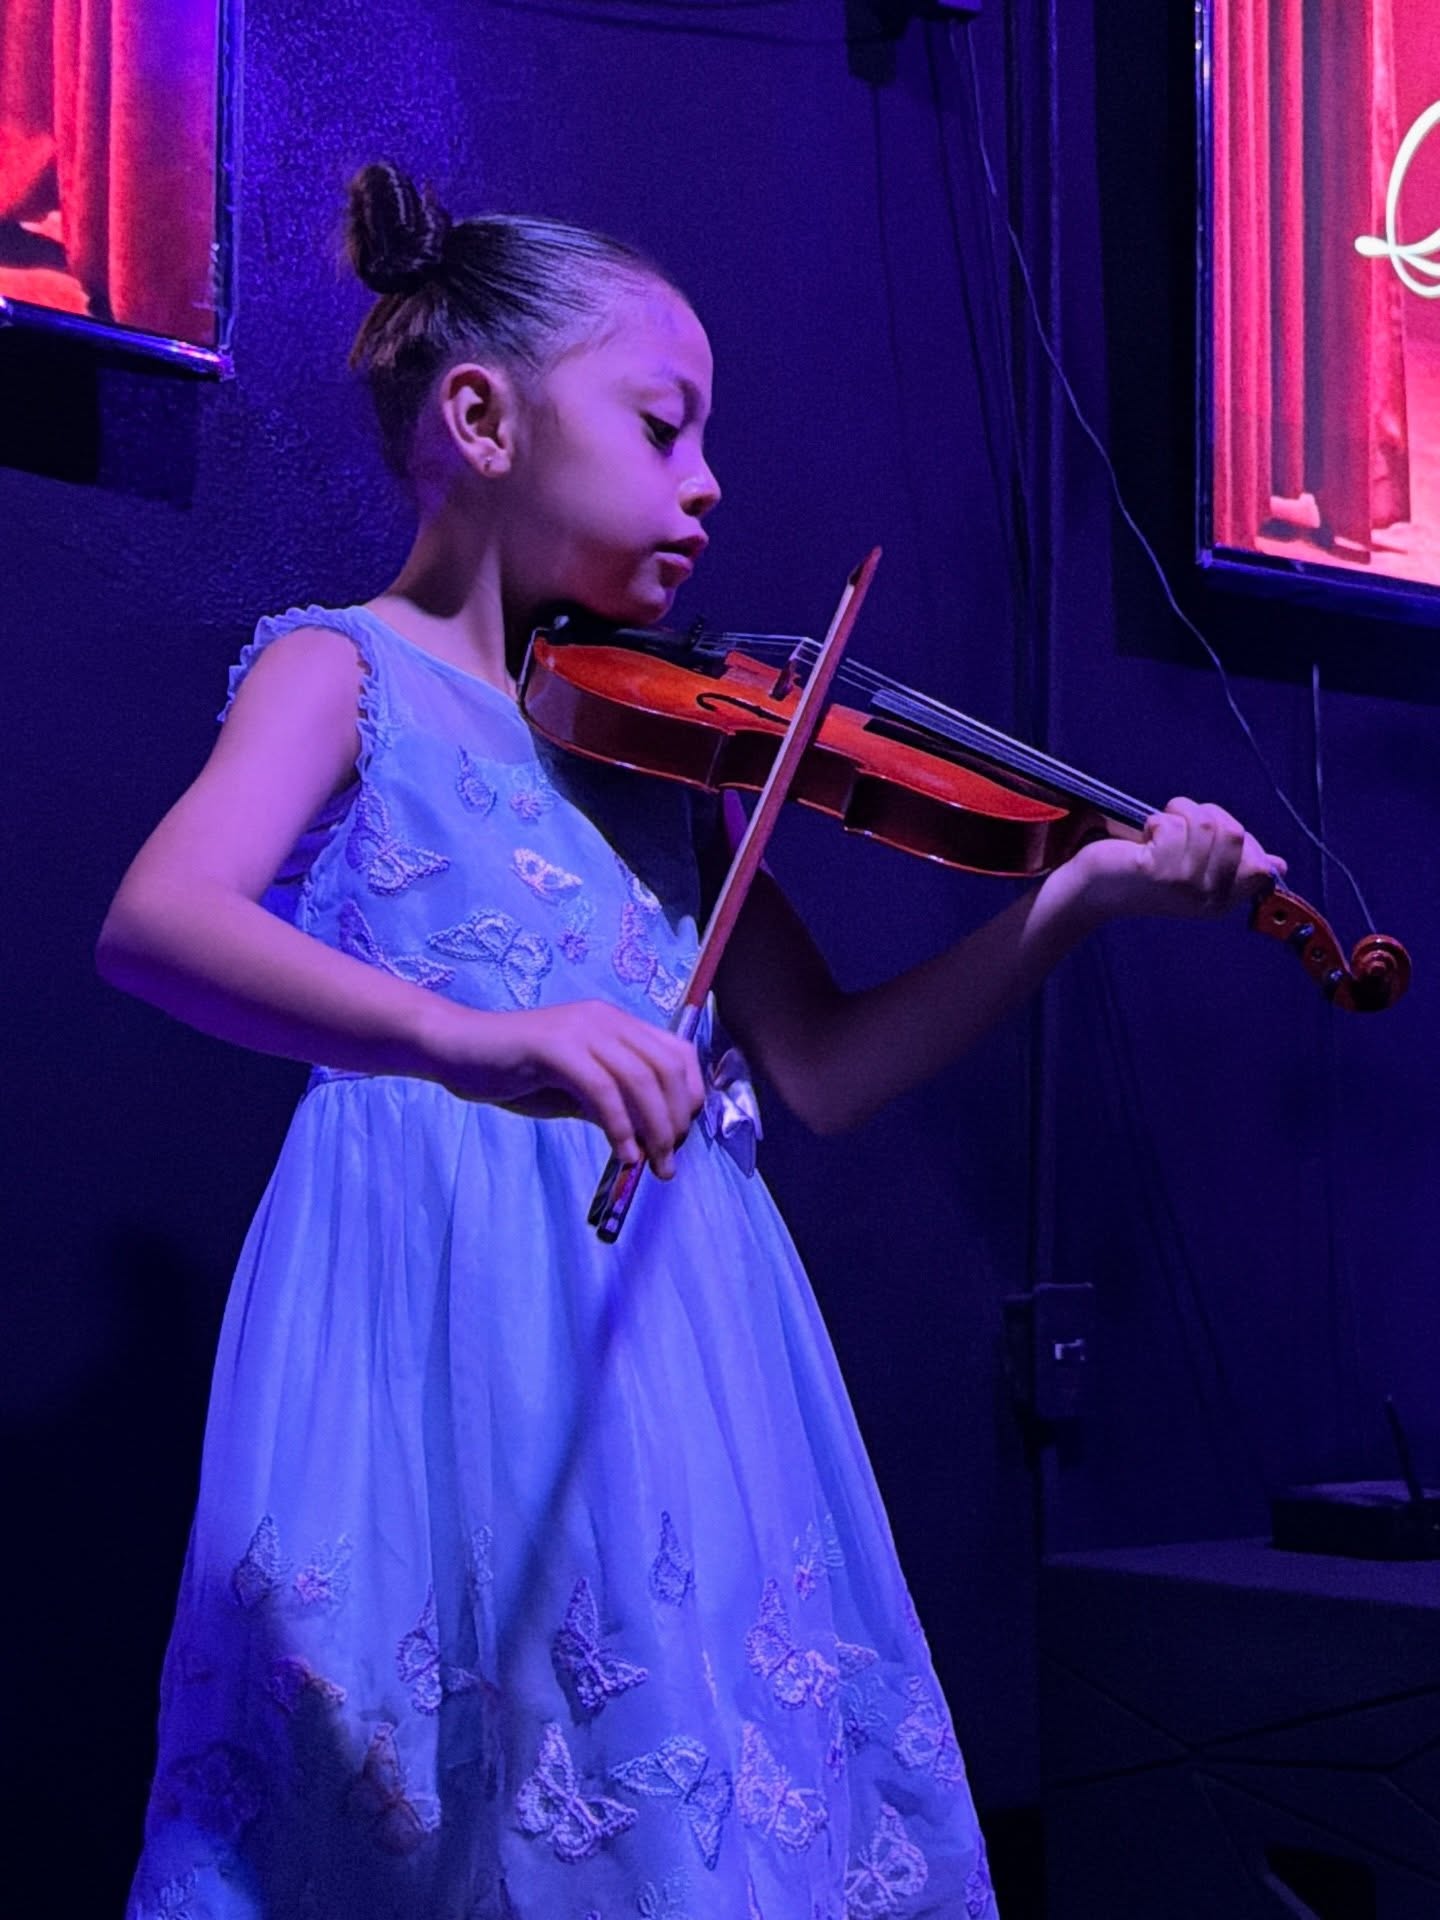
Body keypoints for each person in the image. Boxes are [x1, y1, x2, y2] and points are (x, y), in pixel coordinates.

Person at [102, 162, 1282, 1920]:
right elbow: (161, 922)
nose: (709, 480)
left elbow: (825, 1070)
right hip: (435, 1307)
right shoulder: (342, 671)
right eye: (664, 428)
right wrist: (474, 1039)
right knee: (429, 1803)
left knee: (678, 1799)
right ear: (483, 417)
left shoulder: (654, 761)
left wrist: (1076, 902)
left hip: (675, 1335)